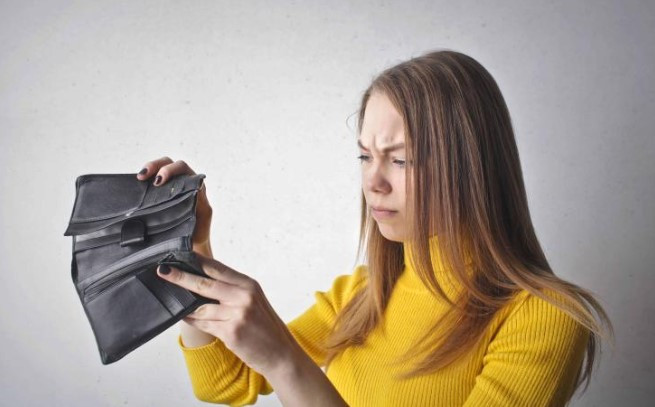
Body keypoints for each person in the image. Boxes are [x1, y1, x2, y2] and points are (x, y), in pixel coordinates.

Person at [136, 49, 613, 407]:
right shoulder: (365, 293)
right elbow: (224, 382)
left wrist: (286, 360)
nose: (372, 182)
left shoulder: (544, 318)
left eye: (400, 159)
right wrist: (191, 247)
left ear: (473, 168)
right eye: (365, 156)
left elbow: (274, 366)